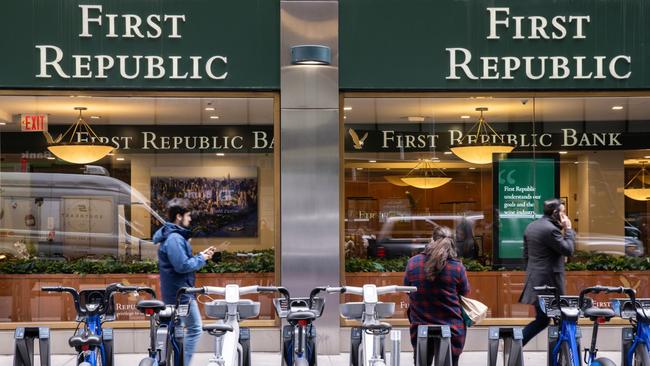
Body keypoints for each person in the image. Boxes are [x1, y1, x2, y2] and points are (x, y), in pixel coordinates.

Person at [154, 198, 221, 366]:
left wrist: (200, 256)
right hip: (180, 294)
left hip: (177, 292)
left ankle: (174, 361)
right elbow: (182, 265)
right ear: (179, 216)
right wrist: (201, 258)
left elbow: (182, 262)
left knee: (175, 331)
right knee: (194, 329)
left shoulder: (172, 237)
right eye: (188, 216)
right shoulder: (174, 239)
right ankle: (183, 362)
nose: (190, 219)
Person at [404, 226, 469, 366]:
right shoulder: (457, 267)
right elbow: (465, 292)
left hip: (420, 327)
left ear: (431, 239)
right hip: (452, 329)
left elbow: (408, 289)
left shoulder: (413, 263)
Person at [519, 198, 575, 346]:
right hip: (549, 283)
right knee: (559, 318)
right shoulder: (551, 230)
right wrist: (568, 229)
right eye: (563, 212)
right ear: (556, 213)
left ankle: (517, 343)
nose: (566, 216)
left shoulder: (531, 226)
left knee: (544, 319)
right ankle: (565, 353)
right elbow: (568, 250)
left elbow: (526, 256)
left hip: (536, 280)